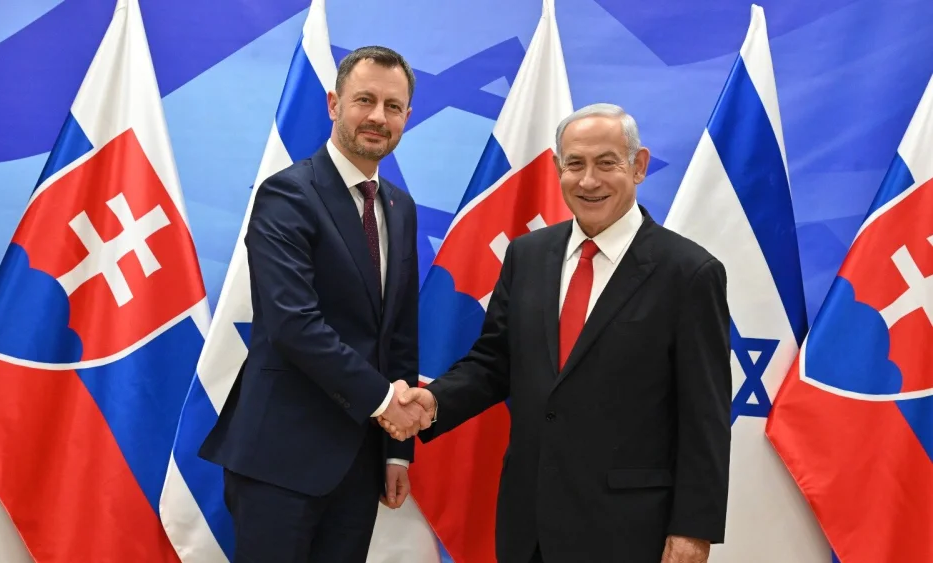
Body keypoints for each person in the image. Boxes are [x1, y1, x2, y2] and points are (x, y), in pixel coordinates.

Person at [382, 103, 731, 563]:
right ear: (556, 168)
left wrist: (693, 529)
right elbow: (494, 363)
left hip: (630, 529)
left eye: (607, 163)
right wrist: (435, 402)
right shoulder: (528, 255)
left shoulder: (689, 273)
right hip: (529, 522)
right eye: (576, 164)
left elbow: (704, 413)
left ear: (639, 166)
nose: (589, 181)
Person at [199, 46, 429, 563]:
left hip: (360, 460)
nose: (377, 117)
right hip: (280, 460)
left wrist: (397, 451)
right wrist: (385, 402)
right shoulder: (287, 194)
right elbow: (292, 323)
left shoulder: (400, 206)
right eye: (364, 100)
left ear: (407, 117)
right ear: (333, 104)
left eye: (393, 106)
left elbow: (399, 333)